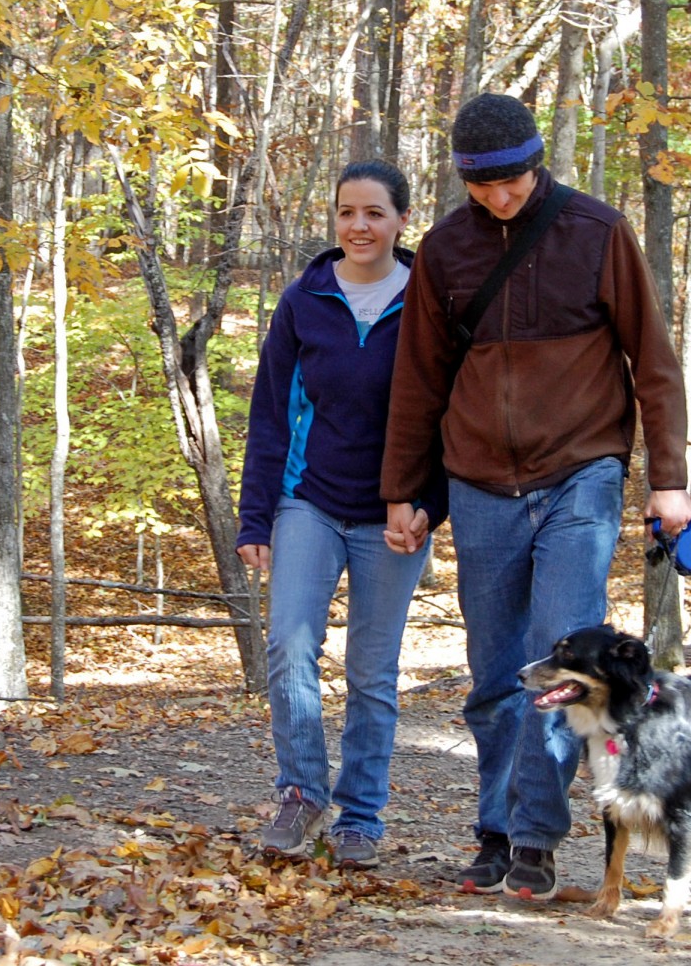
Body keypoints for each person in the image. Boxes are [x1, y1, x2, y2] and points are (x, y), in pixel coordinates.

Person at [380, 94, 691, 899]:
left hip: (581, 472)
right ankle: (493, 827)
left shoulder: (597, 232)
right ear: (463, 180)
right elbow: (419, 379)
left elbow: (652, 362)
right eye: (483, 186)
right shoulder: (446, 250)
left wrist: (669, 481)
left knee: (562, 656)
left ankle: (533, 837)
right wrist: (407, 491)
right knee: (494, 674)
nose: (501, 197)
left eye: (513, 180)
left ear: (536, 161)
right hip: (478, 481)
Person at [238, 159, 446, 871]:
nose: (359, 226)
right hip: (310, 501)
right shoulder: (305, 299)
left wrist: (428, 506)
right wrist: (255, 517)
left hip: (395, 515)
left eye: (374, 213)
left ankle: (361, 816)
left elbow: (450, 417)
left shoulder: (428, 299)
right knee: (290, 646)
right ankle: (300, 792)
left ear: (400, 221)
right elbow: (271, 412)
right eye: (346, 213)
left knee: (372, 669)